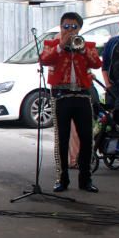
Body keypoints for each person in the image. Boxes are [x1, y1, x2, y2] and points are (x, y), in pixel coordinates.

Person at [39, 12, 102, 193]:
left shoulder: (87, 46)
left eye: (73, 27)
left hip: (82, 95)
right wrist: (60, 46)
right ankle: (62, 179)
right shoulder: (52, 45)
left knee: (86, 138)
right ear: (60, 27)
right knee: (62, 139)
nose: (69, 30)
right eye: (66, 27)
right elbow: (44, 59)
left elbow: (97, 63)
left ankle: (86, 179)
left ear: (80, 28)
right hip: (61, 95)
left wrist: (81, 50)